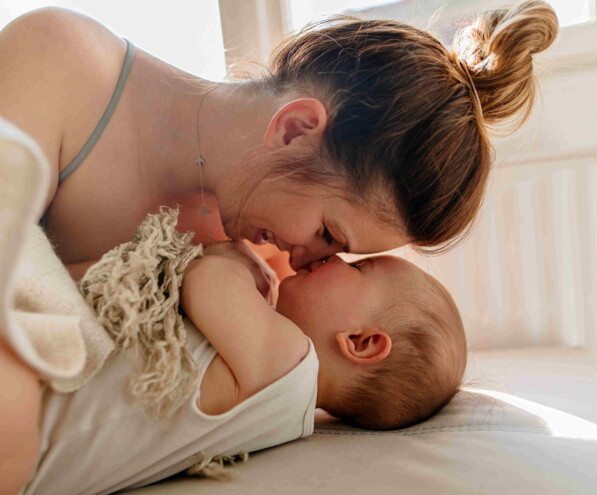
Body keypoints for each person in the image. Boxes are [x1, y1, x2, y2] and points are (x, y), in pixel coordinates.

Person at [0, 1, 558, 282]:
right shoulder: (62, 66)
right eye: (328, 234)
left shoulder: (253, 256)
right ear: (294, 129)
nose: (311, 261)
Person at [19, 240, 466, 494]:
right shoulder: (284, 402)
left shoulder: (289, 363)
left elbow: (205, 278)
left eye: (359, 267)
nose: (333, 257)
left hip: (24, 425)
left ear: (362, 343)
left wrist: (236, 258)